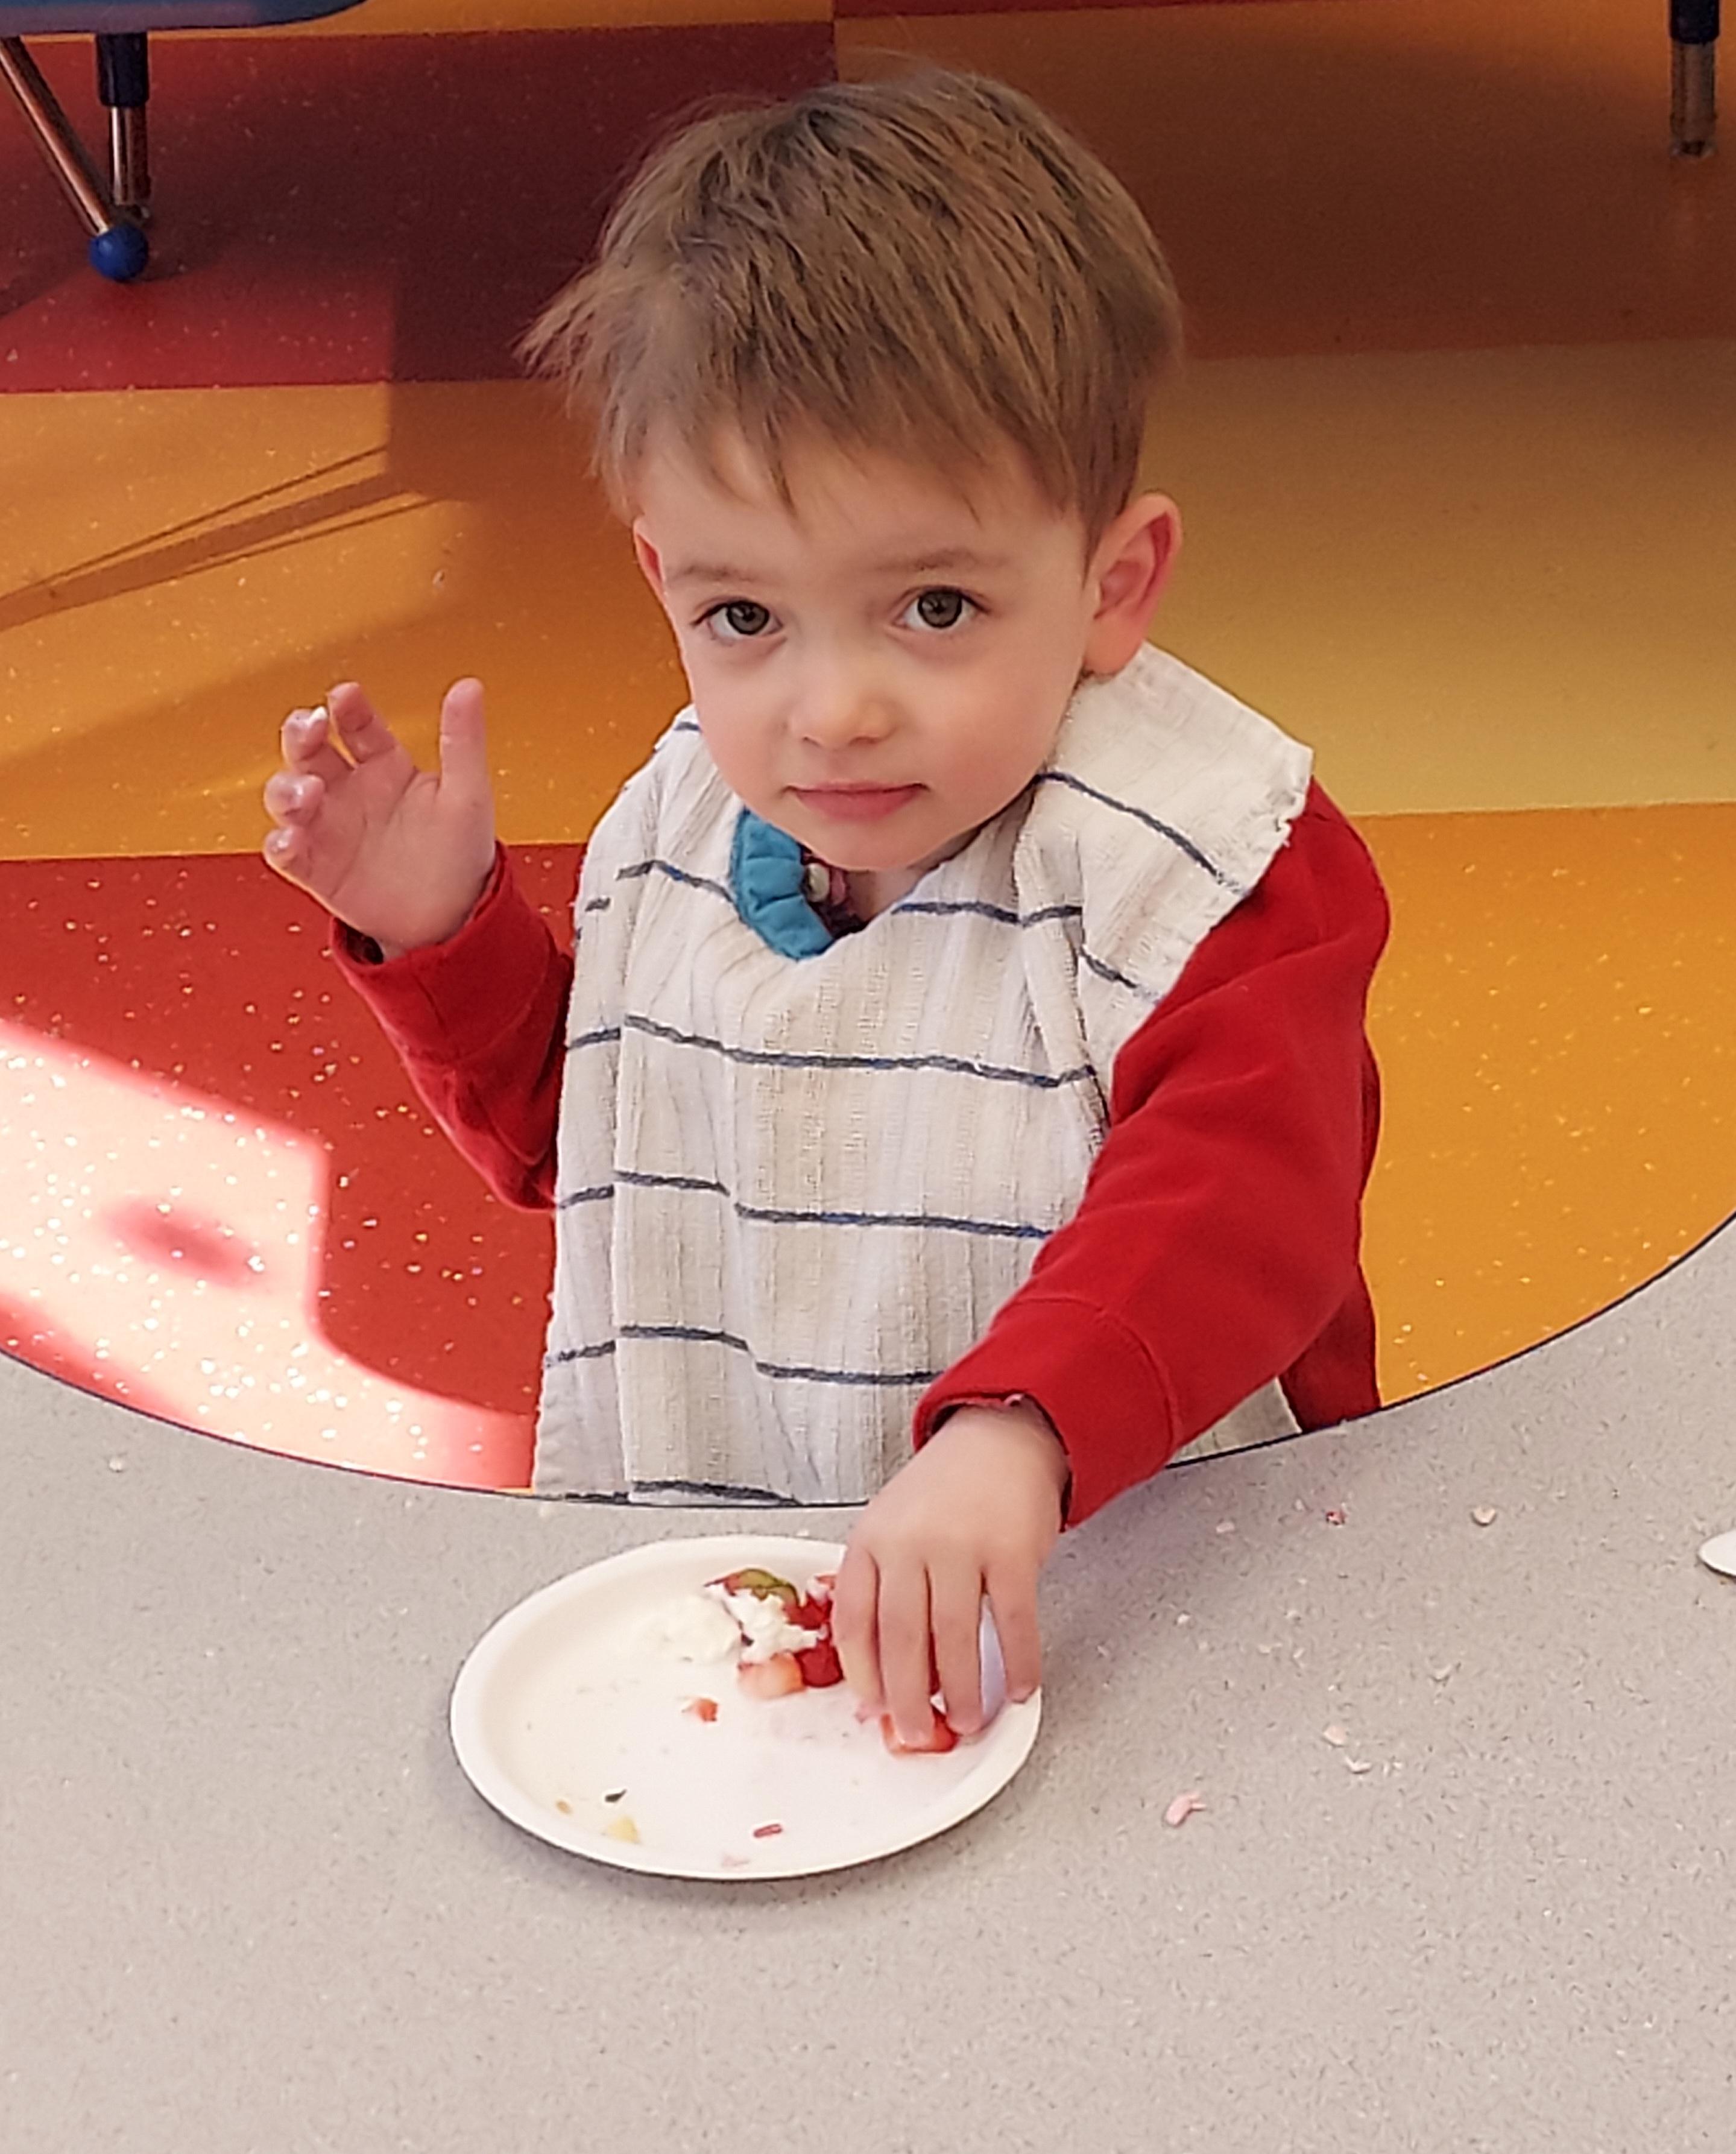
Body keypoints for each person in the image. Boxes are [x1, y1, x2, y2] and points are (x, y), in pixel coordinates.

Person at [260, 67, 1389, 1754]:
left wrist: (1020, 1433)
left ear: (1112, 582)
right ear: (661, 577)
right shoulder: (687, 822)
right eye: (746, 616)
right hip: (784, 1605)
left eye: (934, 605)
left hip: (1136, 1583)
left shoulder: (1207, 853)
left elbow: (1250, 1199)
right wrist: (447, 940)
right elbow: (625, 1145)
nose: (833, 708)